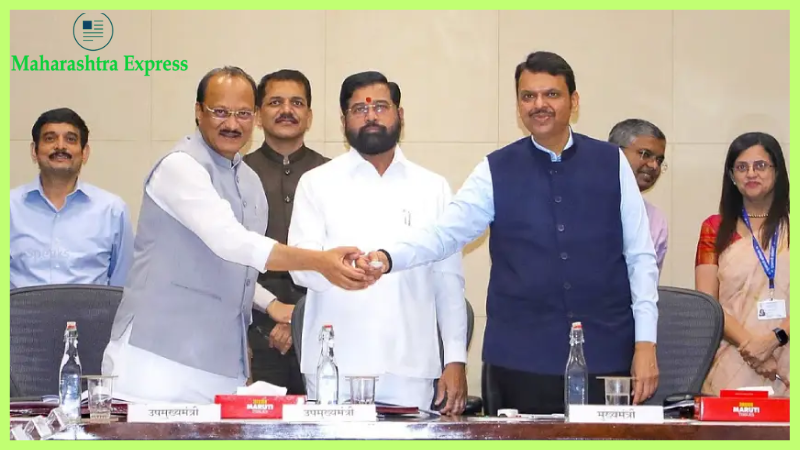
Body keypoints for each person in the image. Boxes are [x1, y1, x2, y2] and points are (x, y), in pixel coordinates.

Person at [365, 51, 660, 413]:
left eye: (551, 94)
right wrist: (388, 258)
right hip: (520, 359)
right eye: (528, 96)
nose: (539, 104)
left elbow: (640, 258)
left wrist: (645, 342)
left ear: (574, 101)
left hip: (606, 353)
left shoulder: (612, 162)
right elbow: (444, 234)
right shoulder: (495, 169)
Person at [101, 66, 375, 404]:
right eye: (220, 112)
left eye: (243, 113)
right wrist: (320, 261)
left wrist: (270, 304)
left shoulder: (249, 181)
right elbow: (231, 242)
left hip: (220, 360)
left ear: (254, 117)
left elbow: (239, 267)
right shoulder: (179, 167)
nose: (232, 124)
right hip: (156, 359)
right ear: (198, 111)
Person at [288, 71, 468, 414]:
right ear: (343, 121)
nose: (371, 116)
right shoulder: (316, 184)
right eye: (359, 109)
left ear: (400, 115)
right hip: (334, 367)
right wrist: (335, 267)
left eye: (380, 107)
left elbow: (448, 281)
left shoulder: (433, 188)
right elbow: (301, 270)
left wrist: (455, 359)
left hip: (410, 367)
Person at [243, 69, 329, 394]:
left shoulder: (333, 175)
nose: (287, 110)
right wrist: (274, 312)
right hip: (253, 335)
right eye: (275, 102)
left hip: (324, 332)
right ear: (258, 115)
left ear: (309, 116)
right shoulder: (237, 174)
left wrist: (298, 317)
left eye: (297, 103)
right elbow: (228, 257)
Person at [695, 131, 790, 395]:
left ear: (777, 172)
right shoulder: (714, 229)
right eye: (741, 167)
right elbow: (708, 302)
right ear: (732, 176)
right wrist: (753, 347)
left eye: (760, 165)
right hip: (734, 355)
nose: (751, 173)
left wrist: (775, 339)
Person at [10, 107, 134, 290]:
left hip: (92, 310)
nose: (60, 146)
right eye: (50, 138)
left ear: (85, 152)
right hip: (20, 310)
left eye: (70, 139)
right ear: (34, 151)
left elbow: (124, 288)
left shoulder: (112, 211)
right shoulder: (9, 208)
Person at [608, 118, 669, 274]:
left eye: (659, 160)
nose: (654, 166)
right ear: (615, 152)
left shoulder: (656, 220)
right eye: (645, 154)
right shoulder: (583, 203)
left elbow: (648, 280)